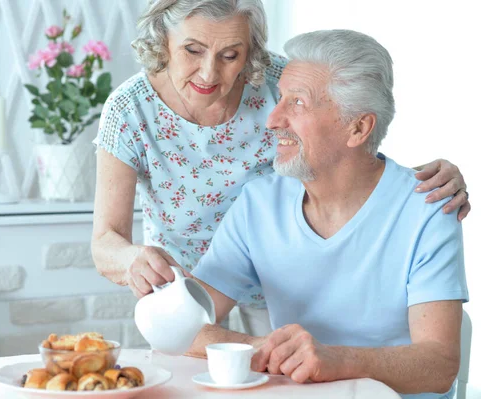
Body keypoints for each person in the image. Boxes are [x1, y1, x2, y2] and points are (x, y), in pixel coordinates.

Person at [91, 0, 471, 337]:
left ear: (251, 51)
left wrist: (419, 186)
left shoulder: (281, 83)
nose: (209, 73)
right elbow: (106, 239)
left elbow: (351, 145)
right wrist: (133, 260)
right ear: (164, 41)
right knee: (189, 359)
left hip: (286, 277)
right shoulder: (129, 110)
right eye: (192, 50)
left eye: (230, 55)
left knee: (285, 372)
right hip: (191, 282)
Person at [189, 29, 468, 399]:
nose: (273, 119)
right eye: (280, 98)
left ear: (358, 127)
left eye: (297, 103)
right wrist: (265, 348)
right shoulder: (258, 204)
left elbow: (438, 366)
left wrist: (336, 360)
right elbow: (188, 327)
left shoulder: (429, 207)